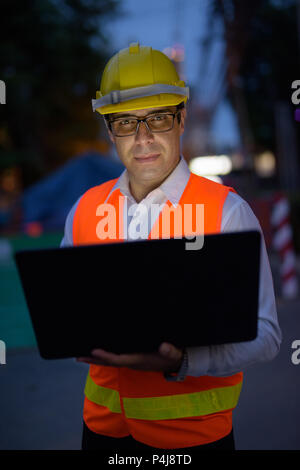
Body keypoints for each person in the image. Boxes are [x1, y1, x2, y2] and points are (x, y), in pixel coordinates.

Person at [61, 43, 282, 451]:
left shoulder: (227, 213)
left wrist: (183, 361)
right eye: (126, 123)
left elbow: (267, 334)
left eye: (158, 119)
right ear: (110, 131)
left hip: (194, 440)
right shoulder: (84, 210)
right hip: (101, 433)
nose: (142, 139)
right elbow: (65, 311)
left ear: (181, 120)